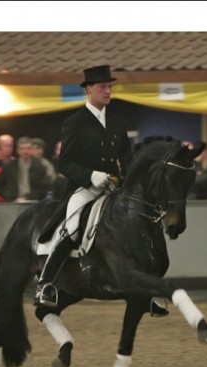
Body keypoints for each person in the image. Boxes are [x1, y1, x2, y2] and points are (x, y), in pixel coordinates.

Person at [34, 65, 130, 307]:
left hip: (112, 189)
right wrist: (91, 176)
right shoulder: (75, 122)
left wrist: (125, 180)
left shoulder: (118, 122)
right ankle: (45, 283)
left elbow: (127, 158)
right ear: (89, 89)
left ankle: (145, 288)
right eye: (102, 87)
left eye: (110, 87)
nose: (108, 91)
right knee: (73, 228)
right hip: (84, 190)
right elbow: (64, 163)